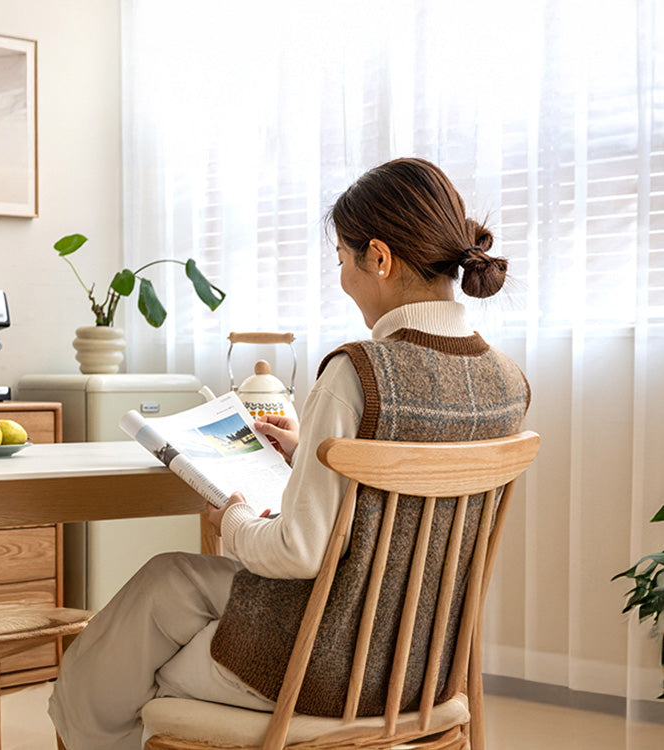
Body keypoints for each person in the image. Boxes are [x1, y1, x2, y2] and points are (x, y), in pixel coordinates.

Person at [49, 157, 530, 749]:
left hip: (322, 671)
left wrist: (231, 519)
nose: (344, 280)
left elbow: (300, 552)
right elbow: (410, 499)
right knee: (169, 579)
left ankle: (83, 730)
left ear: (378, 258)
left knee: (134, 675)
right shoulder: (506, 380)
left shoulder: (358, 375)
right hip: (424, 671)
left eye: (342, 262)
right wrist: (318, 457)